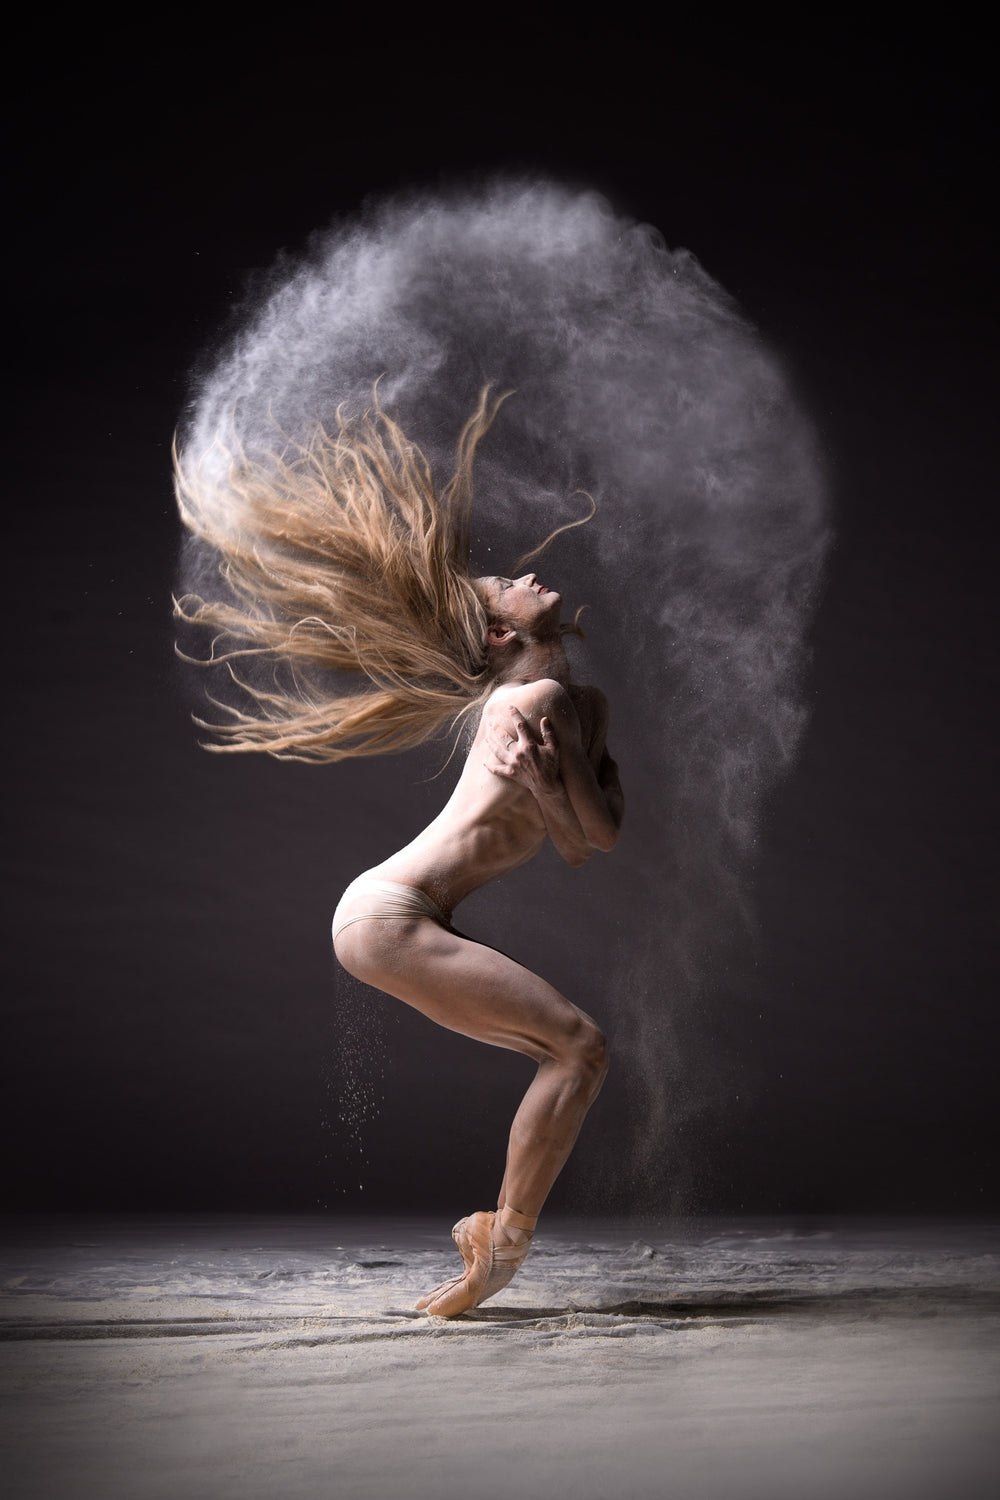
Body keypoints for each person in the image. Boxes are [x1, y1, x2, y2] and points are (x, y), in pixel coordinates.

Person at [174, 389, 624, 1316]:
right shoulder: (523, 707)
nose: (523, 576)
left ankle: (498, 1249)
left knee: (575, 1051)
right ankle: (501, 1247)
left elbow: (594, 843)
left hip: (396, 915)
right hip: (387, 914)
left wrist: (548, 791)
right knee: (577, 1049)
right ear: (503, 635)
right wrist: (553, 795)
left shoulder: (575, 711)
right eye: (506, 585)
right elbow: (587, 834)